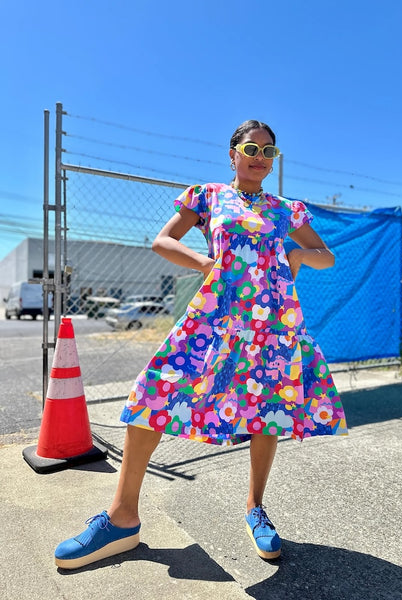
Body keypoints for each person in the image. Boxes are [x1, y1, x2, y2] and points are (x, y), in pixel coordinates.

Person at [55, 119, 348, 569]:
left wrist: (299, 255)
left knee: (267, 410)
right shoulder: (208, 196)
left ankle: (255, 508)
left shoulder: (287, 210)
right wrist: (205, 264)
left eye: (268, 151)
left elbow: (327, 257)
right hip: (214, 319)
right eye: (251, 148)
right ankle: (122, 517)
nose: (259, 157)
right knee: (152, 393)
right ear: (233, 154)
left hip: (272, 325)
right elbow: (163, 241)